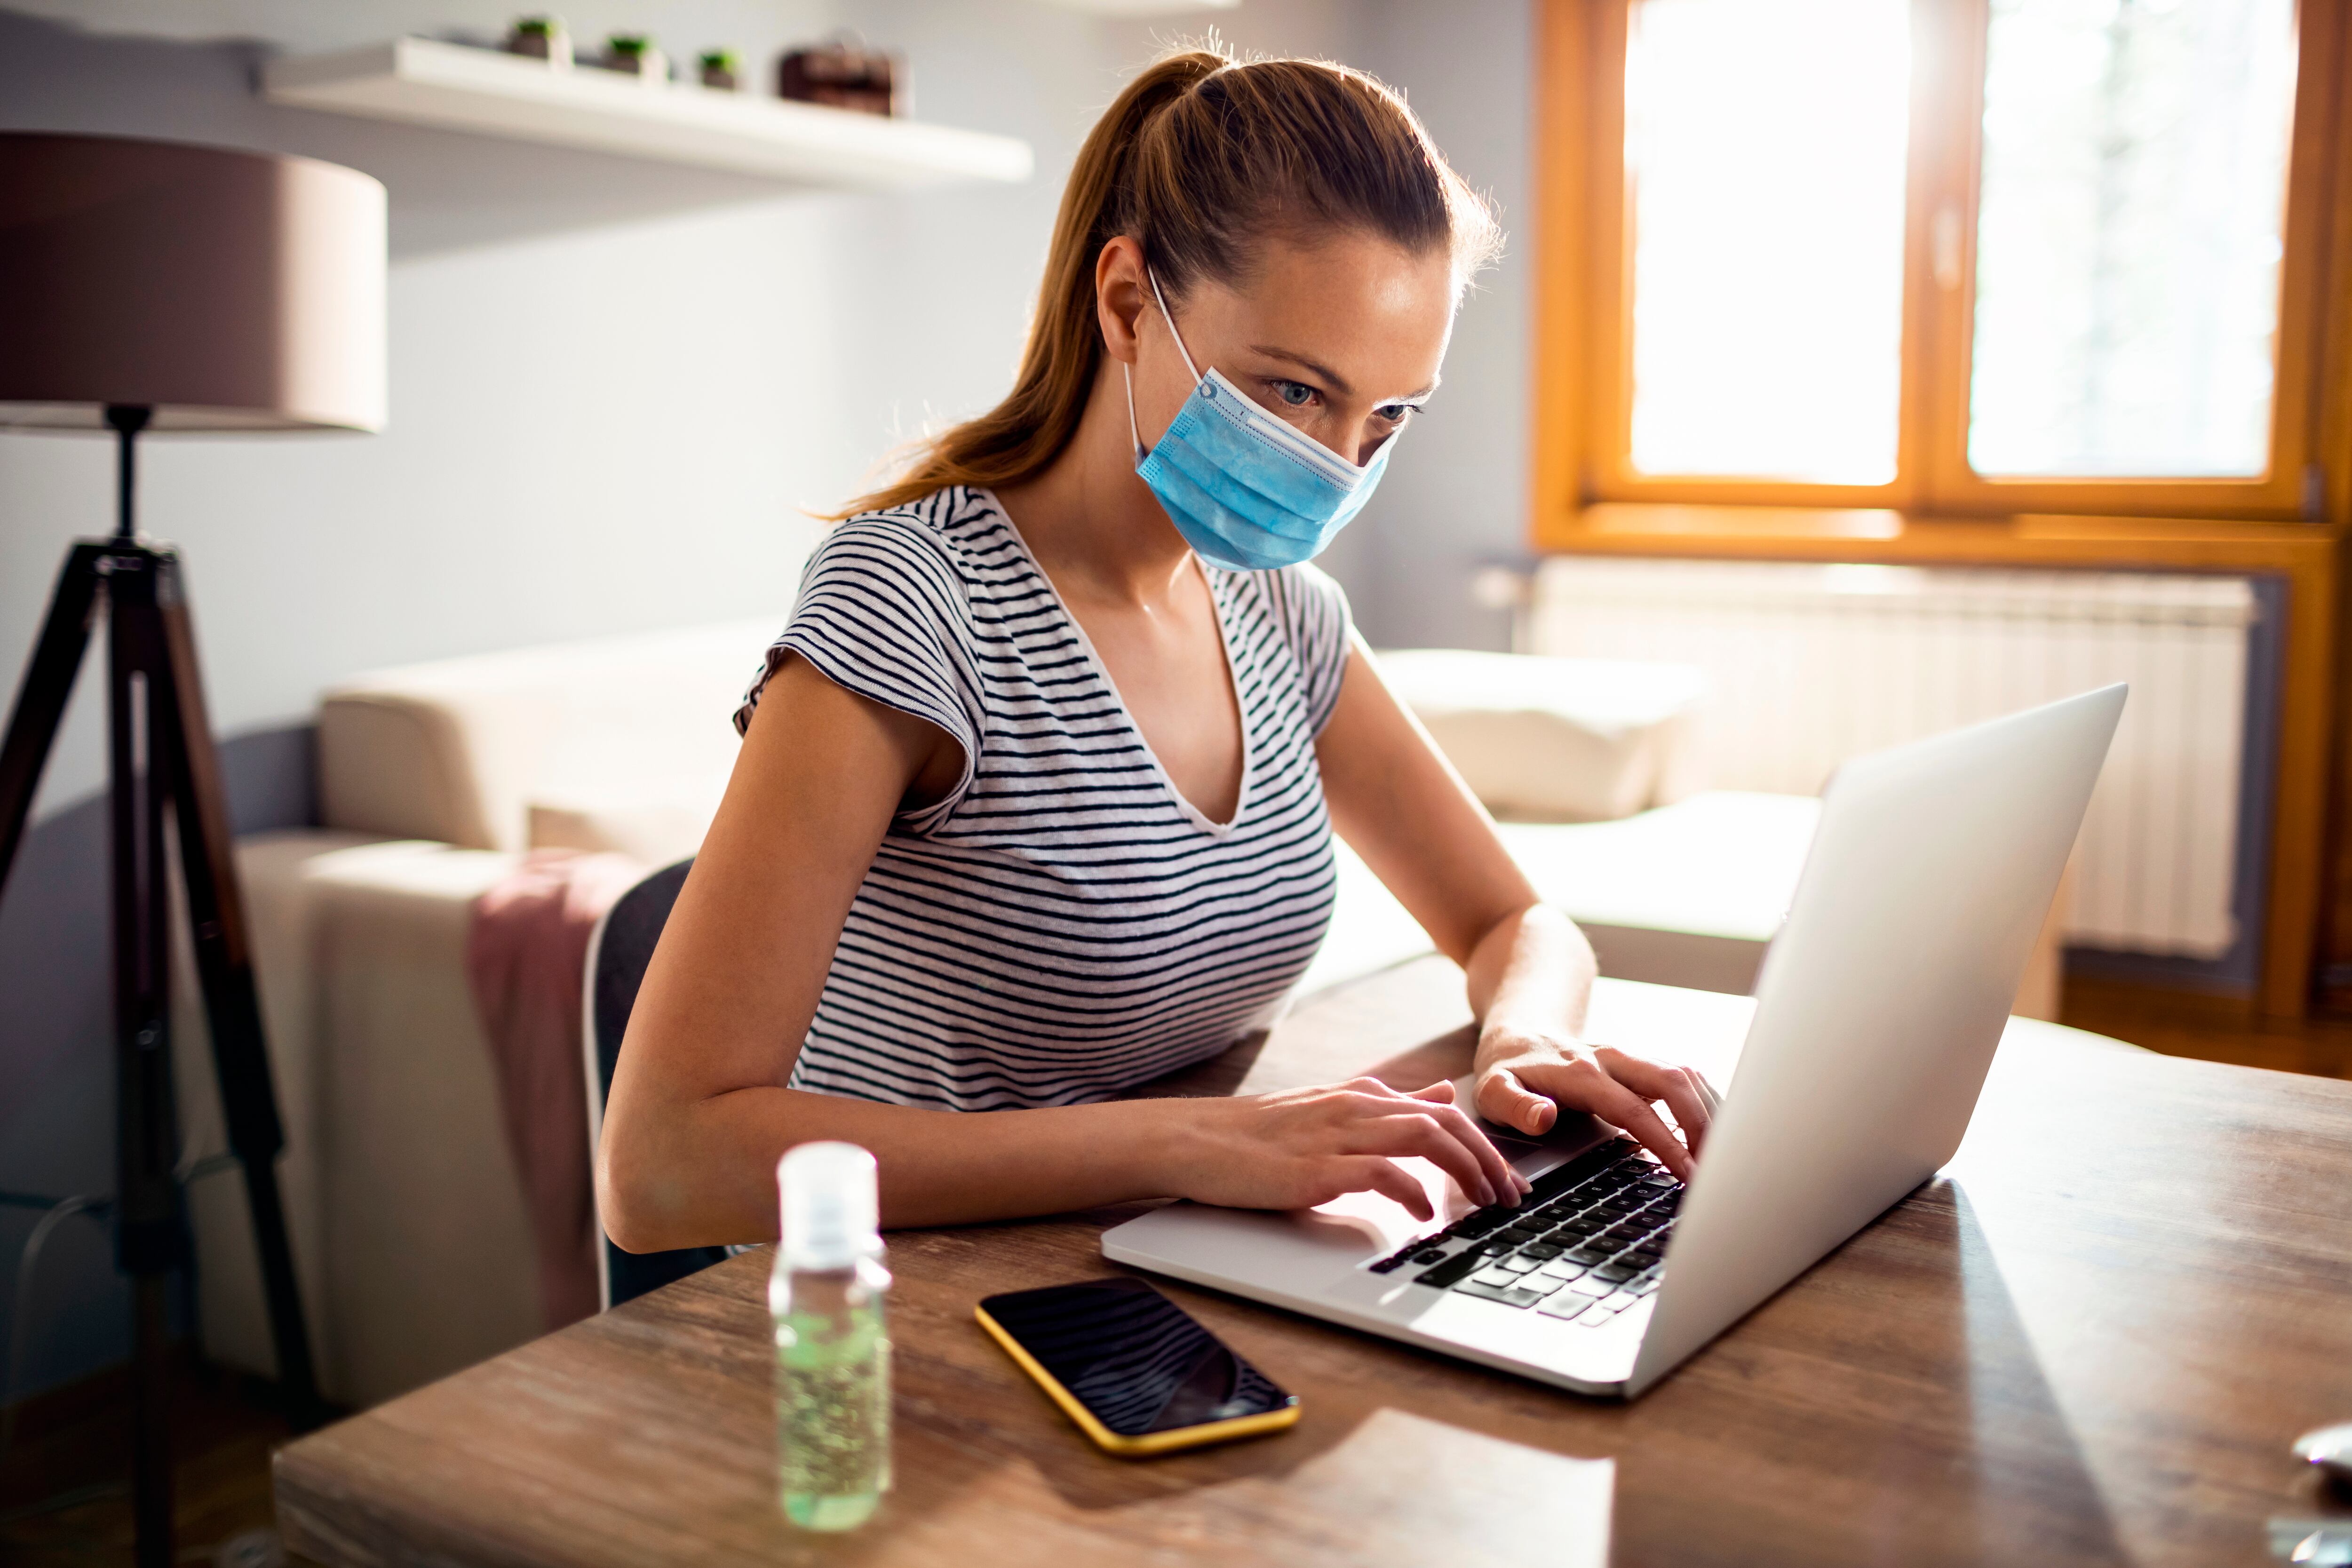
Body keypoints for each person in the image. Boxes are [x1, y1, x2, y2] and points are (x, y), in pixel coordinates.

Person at [598, 45, 1716, 1251]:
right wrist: (1189, 1144)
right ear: (1127, 302)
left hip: (1155, 1261)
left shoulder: (1280, 611)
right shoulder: (914, 603)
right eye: (1292, 392)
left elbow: (1518, 923)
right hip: (893, 1313)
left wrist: (1530, 1037)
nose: (1340, 461)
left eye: (1387, 414)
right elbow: (666, 1160)